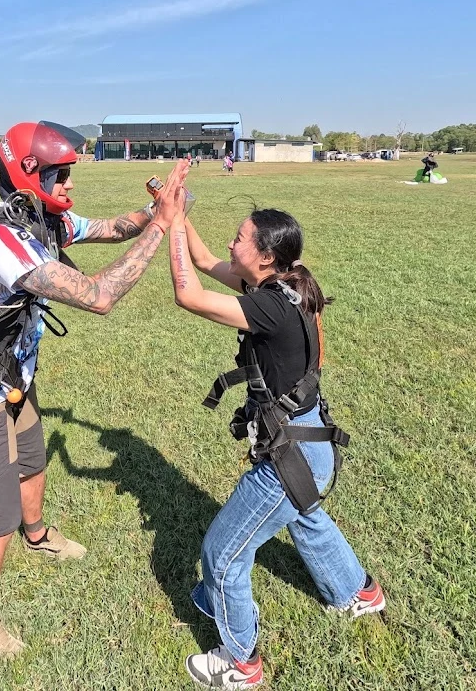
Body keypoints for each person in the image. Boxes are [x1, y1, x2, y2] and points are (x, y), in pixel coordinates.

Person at [0, 121, 188, 656]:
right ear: (28, 174)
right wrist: (161, 229)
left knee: (33, 460)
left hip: (17, 377)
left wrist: (157, 209)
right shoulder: (0, 242)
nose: (70, 187)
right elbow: (99, 295)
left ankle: (38, 536)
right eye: (61, 176)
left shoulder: (44, 222)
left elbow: (111, 227)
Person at [166, 206, 384, 688]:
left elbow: (188, 293)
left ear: (265, 256)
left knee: (222, 554)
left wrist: (165, 225)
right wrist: (177, 213)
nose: (230, 244)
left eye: (239, 238)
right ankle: (357, 591)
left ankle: (241, 661)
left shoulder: (269, 307)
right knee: (306, 517)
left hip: (289, 455)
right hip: (310, 444)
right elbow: (202, 261)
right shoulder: (284, 287)